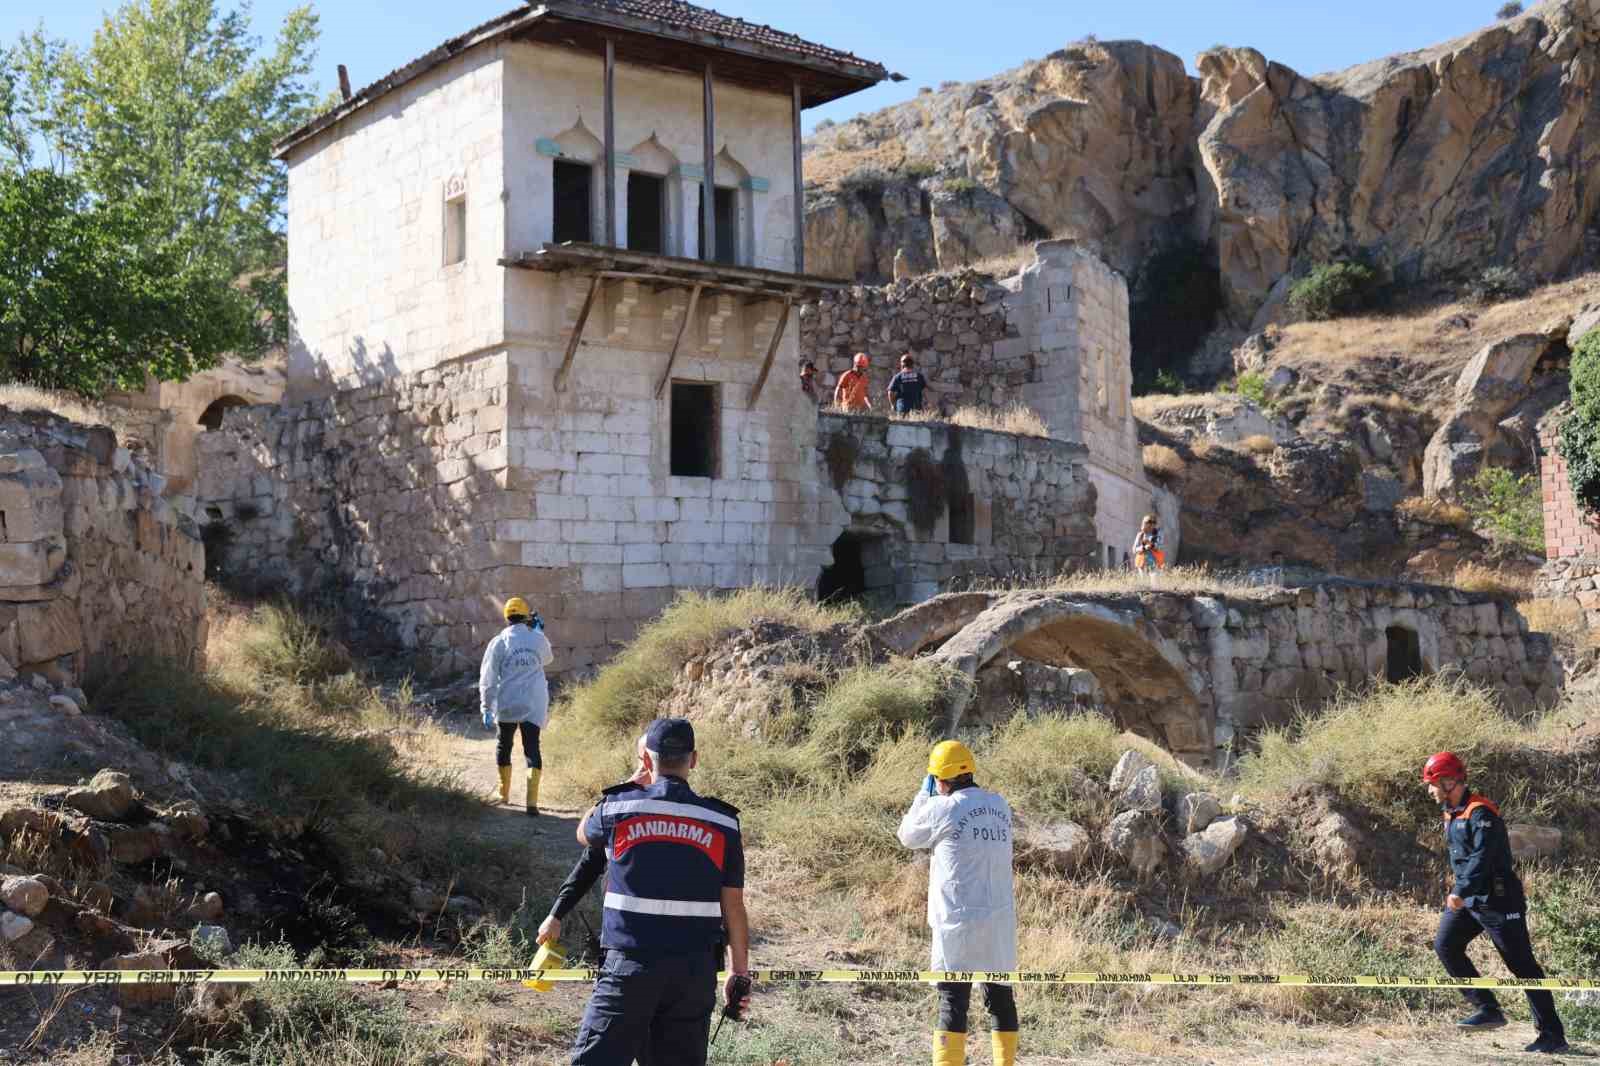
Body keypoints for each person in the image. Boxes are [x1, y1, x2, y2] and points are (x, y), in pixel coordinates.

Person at [569, 718, 751, 1066]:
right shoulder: (724, 823)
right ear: (693, 760)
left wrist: (630, 782)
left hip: (628, 970)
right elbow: (734, 907)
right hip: (693, 975)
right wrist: (738, 971)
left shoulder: (618, 808)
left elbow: (582, 833)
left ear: (647, 760)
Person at [1424, 752, 1569, 1055]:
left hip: (1499, 900)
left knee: (1522, 965)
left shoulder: (1481, 813)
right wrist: (1464, 892)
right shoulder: (1452, 812)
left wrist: (1460, 889)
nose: (1430, 790)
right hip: (1472, 899)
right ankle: (1488, 1008)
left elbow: (1483, 857)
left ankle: (1552, 1034)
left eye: (1433, 783)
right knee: (1446, 945)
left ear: (1450, 781)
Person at [897, 740, 1018, 1066]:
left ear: (940, 779)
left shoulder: (943, 808)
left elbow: (907, 835)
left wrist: (923, 796)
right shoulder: (1000, 806)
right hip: (999, 920)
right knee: (1001, 997)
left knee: (953, 999)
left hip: (958, 920)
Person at [538, 735, 652, 952]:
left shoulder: (619, 811)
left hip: (634, 939)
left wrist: (622, 790)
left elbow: (584, 832)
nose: (641, 768)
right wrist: (556, 915)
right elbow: (590, 863)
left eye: (643, 760)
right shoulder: (699, 814)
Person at [480, 596, 555, 816]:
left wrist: (486, 707)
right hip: (534, 702)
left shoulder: (499, 642)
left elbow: (488, 678)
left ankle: (503, 794)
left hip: (507, 702)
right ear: (526, 616)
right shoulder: (537, 639)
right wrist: (539, 632)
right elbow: (548, 659)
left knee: (504, 746)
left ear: (507, 617)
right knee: (532, 748)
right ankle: (532, 802)